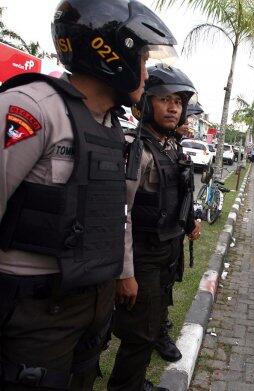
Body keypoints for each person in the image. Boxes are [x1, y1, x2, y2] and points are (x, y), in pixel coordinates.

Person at [0, 1, 177, 390]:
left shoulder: (113, 128)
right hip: (36, 308)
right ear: (114, 55)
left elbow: (118, 210)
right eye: (143, 60)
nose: (146, 75)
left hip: (91, 304)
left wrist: (125, 273)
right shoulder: (32, 108)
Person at [108, 64, 202, 391]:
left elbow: (179, 192)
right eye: (164, 99)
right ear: (146, 103)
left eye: (178, 100)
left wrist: (190, 223)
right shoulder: (137, 148)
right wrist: (125, 272)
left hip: (166, 252)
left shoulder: (170, 145)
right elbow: (120, 212)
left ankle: (134, 382)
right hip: (142, 255)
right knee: (139, 334)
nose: (174, 107)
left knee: (151, 324)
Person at [153, 98, 204, 363]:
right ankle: (157, 330)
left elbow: (183, 193)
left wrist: (191, 219)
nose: (189, 124)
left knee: (167, 283)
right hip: (151, 239)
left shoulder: (175, 148)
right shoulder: (154, 146)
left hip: (172, 235)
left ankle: (159, 324)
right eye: (188, 120)